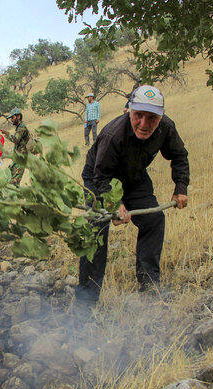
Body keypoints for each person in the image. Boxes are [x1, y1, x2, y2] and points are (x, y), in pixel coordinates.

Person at [76, 85, 190, 303]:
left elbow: (179, 155)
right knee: (96, 232)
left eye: (152, 118)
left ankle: (149, 288)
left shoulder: (166, 128)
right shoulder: (113, 134)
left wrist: (181, 188)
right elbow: (101, 176)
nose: (144, 124)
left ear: (161, 116)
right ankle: (86, 302)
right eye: (138, 116)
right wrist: (115, 204)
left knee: (154, 219)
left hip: (134, 177)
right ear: (129, 110)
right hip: (100, 179)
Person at [0, 108, 31, 186]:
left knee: (14, 183)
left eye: (12, 117)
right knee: (10, 178)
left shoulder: (22, 127)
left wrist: (7, 134)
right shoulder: (19, 127)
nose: (11, 120)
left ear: (18, 117)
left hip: (21, 159)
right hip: (17, 158)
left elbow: (16, 140)